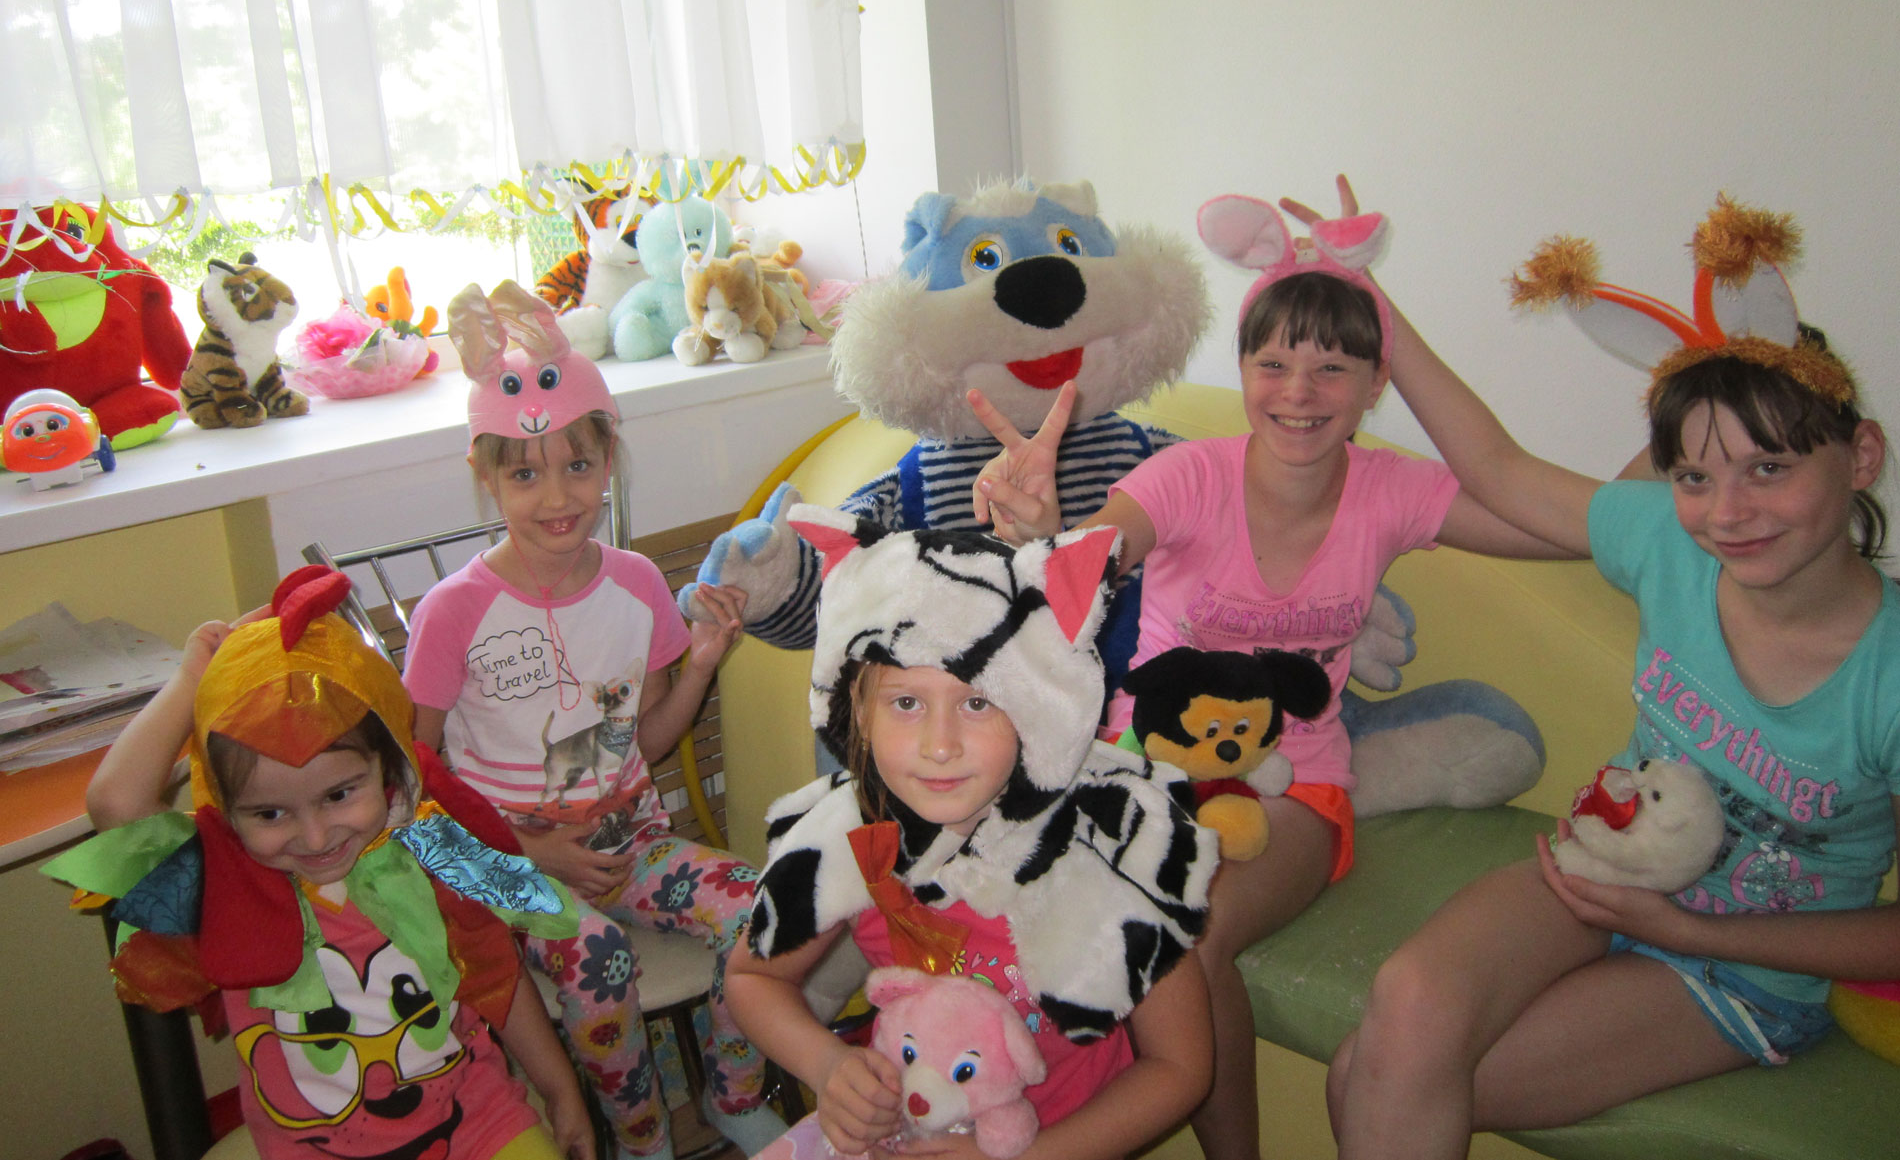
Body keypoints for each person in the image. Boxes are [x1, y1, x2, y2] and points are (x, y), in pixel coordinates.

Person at [968, 191, 1570, 1160]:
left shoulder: (1391, 492)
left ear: (1375, 384)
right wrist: (1045, 536)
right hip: (1144, 771)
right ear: (1243, 370)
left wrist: (1660, 508)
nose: (1299, 391)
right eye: (1274, 364)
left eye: (1333, 367)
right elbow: (1091, 566)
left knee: (1190, 930)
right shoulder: (1190, 478)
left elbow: (1544, 521)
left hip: (1297, 786)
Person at [1319, 186, 1900, 1158]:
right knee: (1400, 1015)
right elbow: (1498, 469)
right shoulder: (1671, 544)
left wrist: (1700, 932)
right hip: (1598, 869)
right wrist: (1362, 292)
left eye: (1769, 468)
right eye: (1694, 477)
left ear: (1860, 456)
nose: (1728, 513)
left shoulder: (1886, 674)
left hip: (1740, 966)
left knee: (1381, 1078)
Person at [403, 281, 783, 1160]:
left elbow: (645, 741)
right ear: (487, 476)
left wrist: (699, 665)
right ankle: (642, 1139)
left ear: (608, 459)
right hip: (503, 864)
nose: (556, 496)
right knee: (599, 953)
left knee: (764, 904)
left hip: (629, 840)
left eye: (577, 466)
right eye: (524, 473)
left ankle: (732, 1096)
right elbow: (410, 791)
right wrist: (528, 852)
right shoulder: (453, 612)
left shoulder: (638, 585)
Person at [51, 565, 593, 1160]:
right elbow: (115, 802)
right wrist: (192, 681)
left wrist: (559, 1088)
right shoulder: (225, 880)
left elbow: (496, 975)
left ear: (389, 769)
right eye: (269, 813)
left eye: (338, 795)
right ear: (225, 808)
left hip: (475, 1123)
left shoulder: (431, 842)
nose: (314, 837)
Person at [726, 506, 1218, 1160]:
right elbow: (752, 979)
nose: (940, 745)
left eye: (978, 702)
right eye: (906, 702)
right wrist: (829, 1066)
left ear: (1038, 709)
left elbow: (1181, 1066)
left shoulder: (1110, 848)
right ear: (859, 714)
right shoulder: (852, 836)